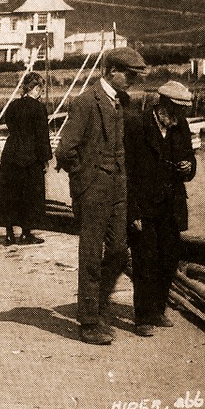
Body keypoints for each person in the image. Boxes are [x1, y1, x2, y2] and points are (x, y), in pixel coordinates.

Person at [55, 46, 147, 345]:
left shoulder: (120, 103)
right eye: (130, 75)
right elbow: (65, 150)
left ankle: (99, 304)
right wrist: (85, 178)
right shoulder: (86, 102)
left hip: (117, 189)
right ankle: (88, 321)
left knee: (119, 251)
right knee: (91, 255)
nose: (132, 80)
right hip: (93, 189)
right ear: (112, 72)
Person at [125, 80, 196, 337]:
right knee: (145, 261)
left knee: (169, 258)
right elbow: (127, 173)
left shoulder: (180, 126)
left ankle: (157, 309)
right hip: (144, 206)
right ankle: (143, 316)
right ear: (164, 105)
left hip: (171, 205)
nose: (181, 116)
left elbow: (190, 157)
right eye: (178, 110)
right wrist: (131, 212)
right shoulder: (137, 126)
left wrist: (189, 167)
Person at [0, 72, 52, 246]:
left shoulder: (13, 106)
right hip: (30, 155)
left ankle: (9, 234)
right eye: (40, 90)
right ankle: (26, 233)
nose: (41, 93)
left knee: (10, 193)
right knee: (30, 195)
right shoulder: (39, 108)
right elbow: (42, 136)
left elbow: (11, 126)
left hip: (11, 153)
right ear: (35, 88)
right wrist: (45, 158)